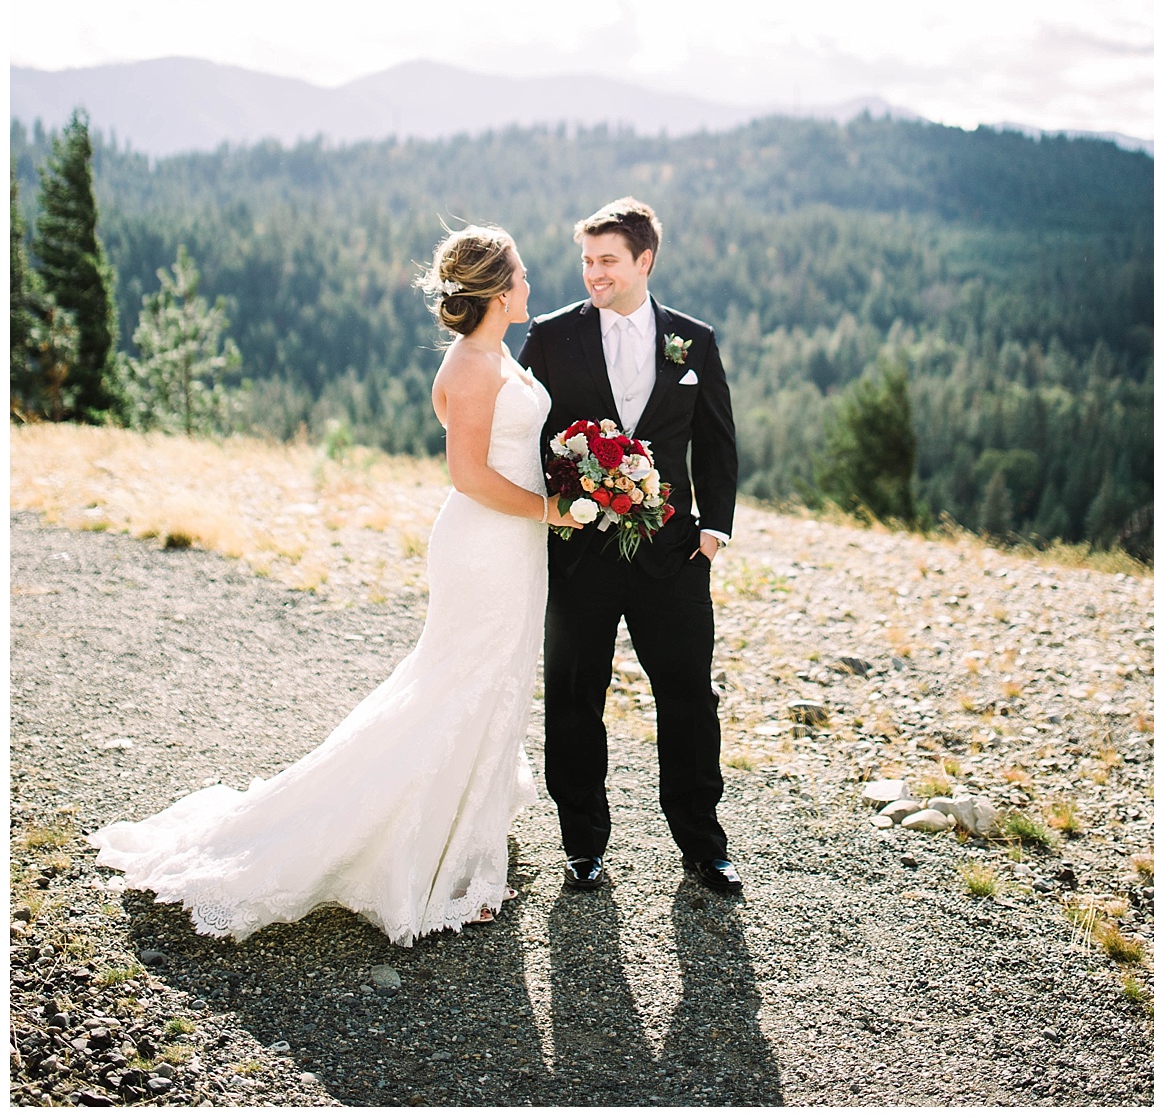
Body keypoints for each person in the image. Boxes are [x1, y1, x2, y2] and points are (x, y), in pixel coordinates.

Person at [89, 225, 580, 946]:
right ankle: (412, 849)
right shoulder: (474, 367)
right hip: (487, 544)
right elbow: (469, 476)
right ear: (500, 292)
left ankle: (463, 836)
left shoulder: (494, 350)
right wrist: (549, 509)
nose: (533, 285)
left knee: (494, 677)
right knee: (457, 682)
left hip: (516, 546)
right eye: (525, 275)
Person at [519, 197, 742, 896]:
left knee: (687, 698)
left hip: (673, 557)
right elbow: (522, 434)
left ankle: (703, 844)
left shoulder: (692, 341)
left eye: (607, 260)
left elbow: (717, 440)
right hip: (579, 555)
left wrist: (713, 530)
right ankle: (582, 843)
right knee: (574, 696)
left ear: (644, 261)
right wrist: (551, 516)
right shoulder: (552, 337)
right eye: (587, 261)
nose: (594, 273)